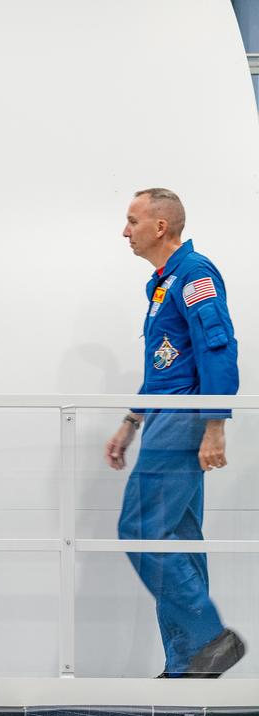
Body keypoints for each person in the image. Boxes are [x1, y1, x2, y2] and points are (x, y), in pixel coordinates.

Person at [106, 188, 245, 678]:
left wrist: (215, 425)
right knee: (177, 541)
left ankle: (210, 637)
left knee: (139, 530)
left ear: (160, 227)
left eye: (132, 220)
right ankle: (187, 663)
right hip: (164, 417)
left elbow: (217, 350)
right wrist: (131, 420)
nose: (125, 231)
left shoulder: (196, 275)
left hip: (185, 417)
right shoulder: (160, 285)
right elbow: (164, 365)